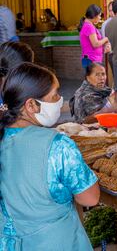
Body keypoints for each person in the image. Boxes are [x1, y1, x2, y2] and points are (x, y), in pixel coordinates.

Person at [0, 62, 99, 250]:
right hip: (55, 242)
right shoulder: (57, 145)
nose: (60, 100)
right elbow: (90, 198)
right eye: (54, 95)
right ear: (31, 105)